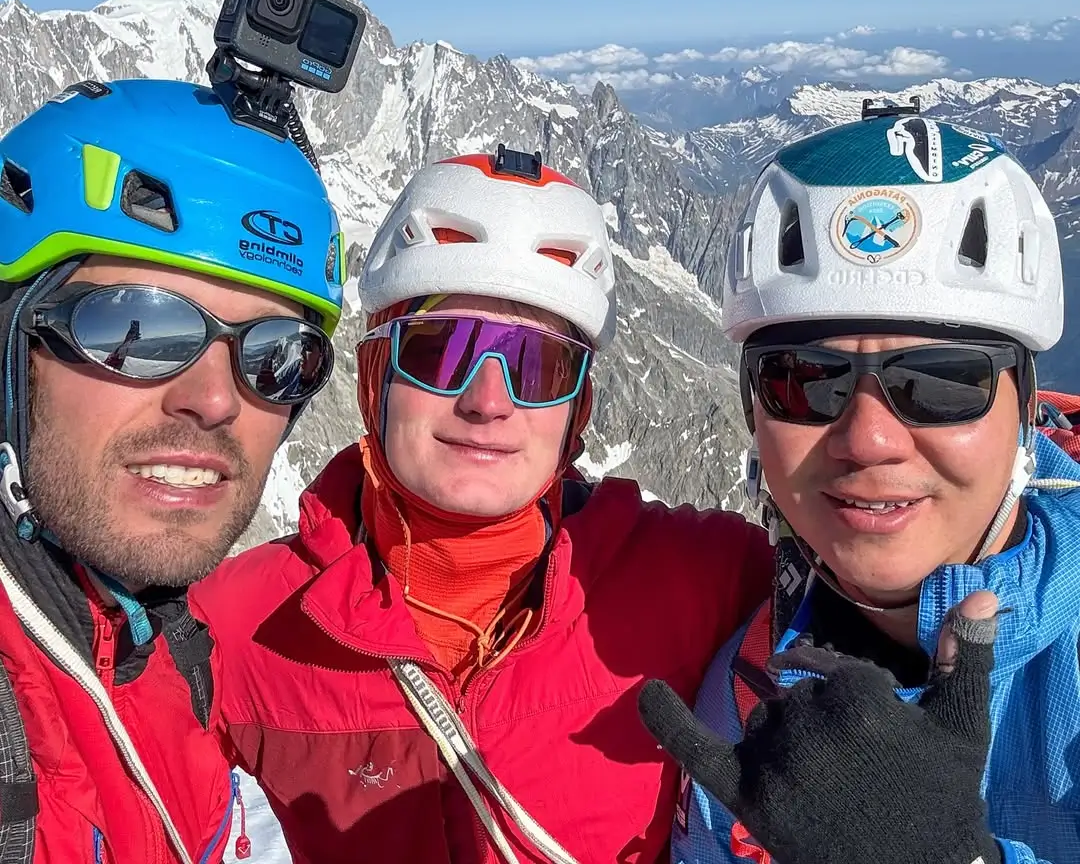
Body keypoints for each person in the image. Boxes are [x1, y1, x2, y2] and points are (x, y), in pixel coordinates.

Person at [191, 145, 774, 864]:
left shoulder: (703, 576)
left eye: (540, 366)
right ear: (374, 379)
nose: (488, 400)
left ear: (579, 407)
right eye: (439, 351)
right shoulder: (237, 629)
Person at [639, 111, 1080, 864]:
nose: (869, 439)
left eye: (942, 382)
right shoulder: (742, 702)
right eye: (802, 381)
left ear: (1025, 411)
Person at [0, 78, 341, 862]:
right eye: (136, 325)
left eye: (276, 357)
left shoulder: (159, 648)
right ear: (11, 350)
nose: (216, 399)